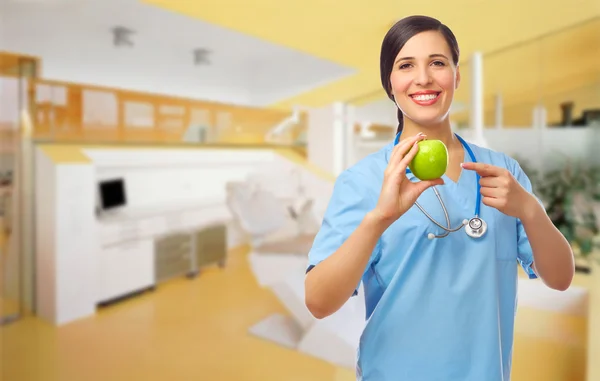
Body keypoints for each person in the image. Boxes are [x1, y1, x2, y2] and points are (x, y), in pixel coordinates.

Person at [304, 15, 575, 381]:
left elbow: (560, 278)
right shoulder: (364, 181)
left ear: (456, 75)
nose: (423, 78)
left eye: (437, 63)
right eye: (406, 65)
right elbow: (319, 302)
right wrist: (379, 219)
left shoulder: (502, 171)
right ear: (390, 82)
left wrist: (530, 209)